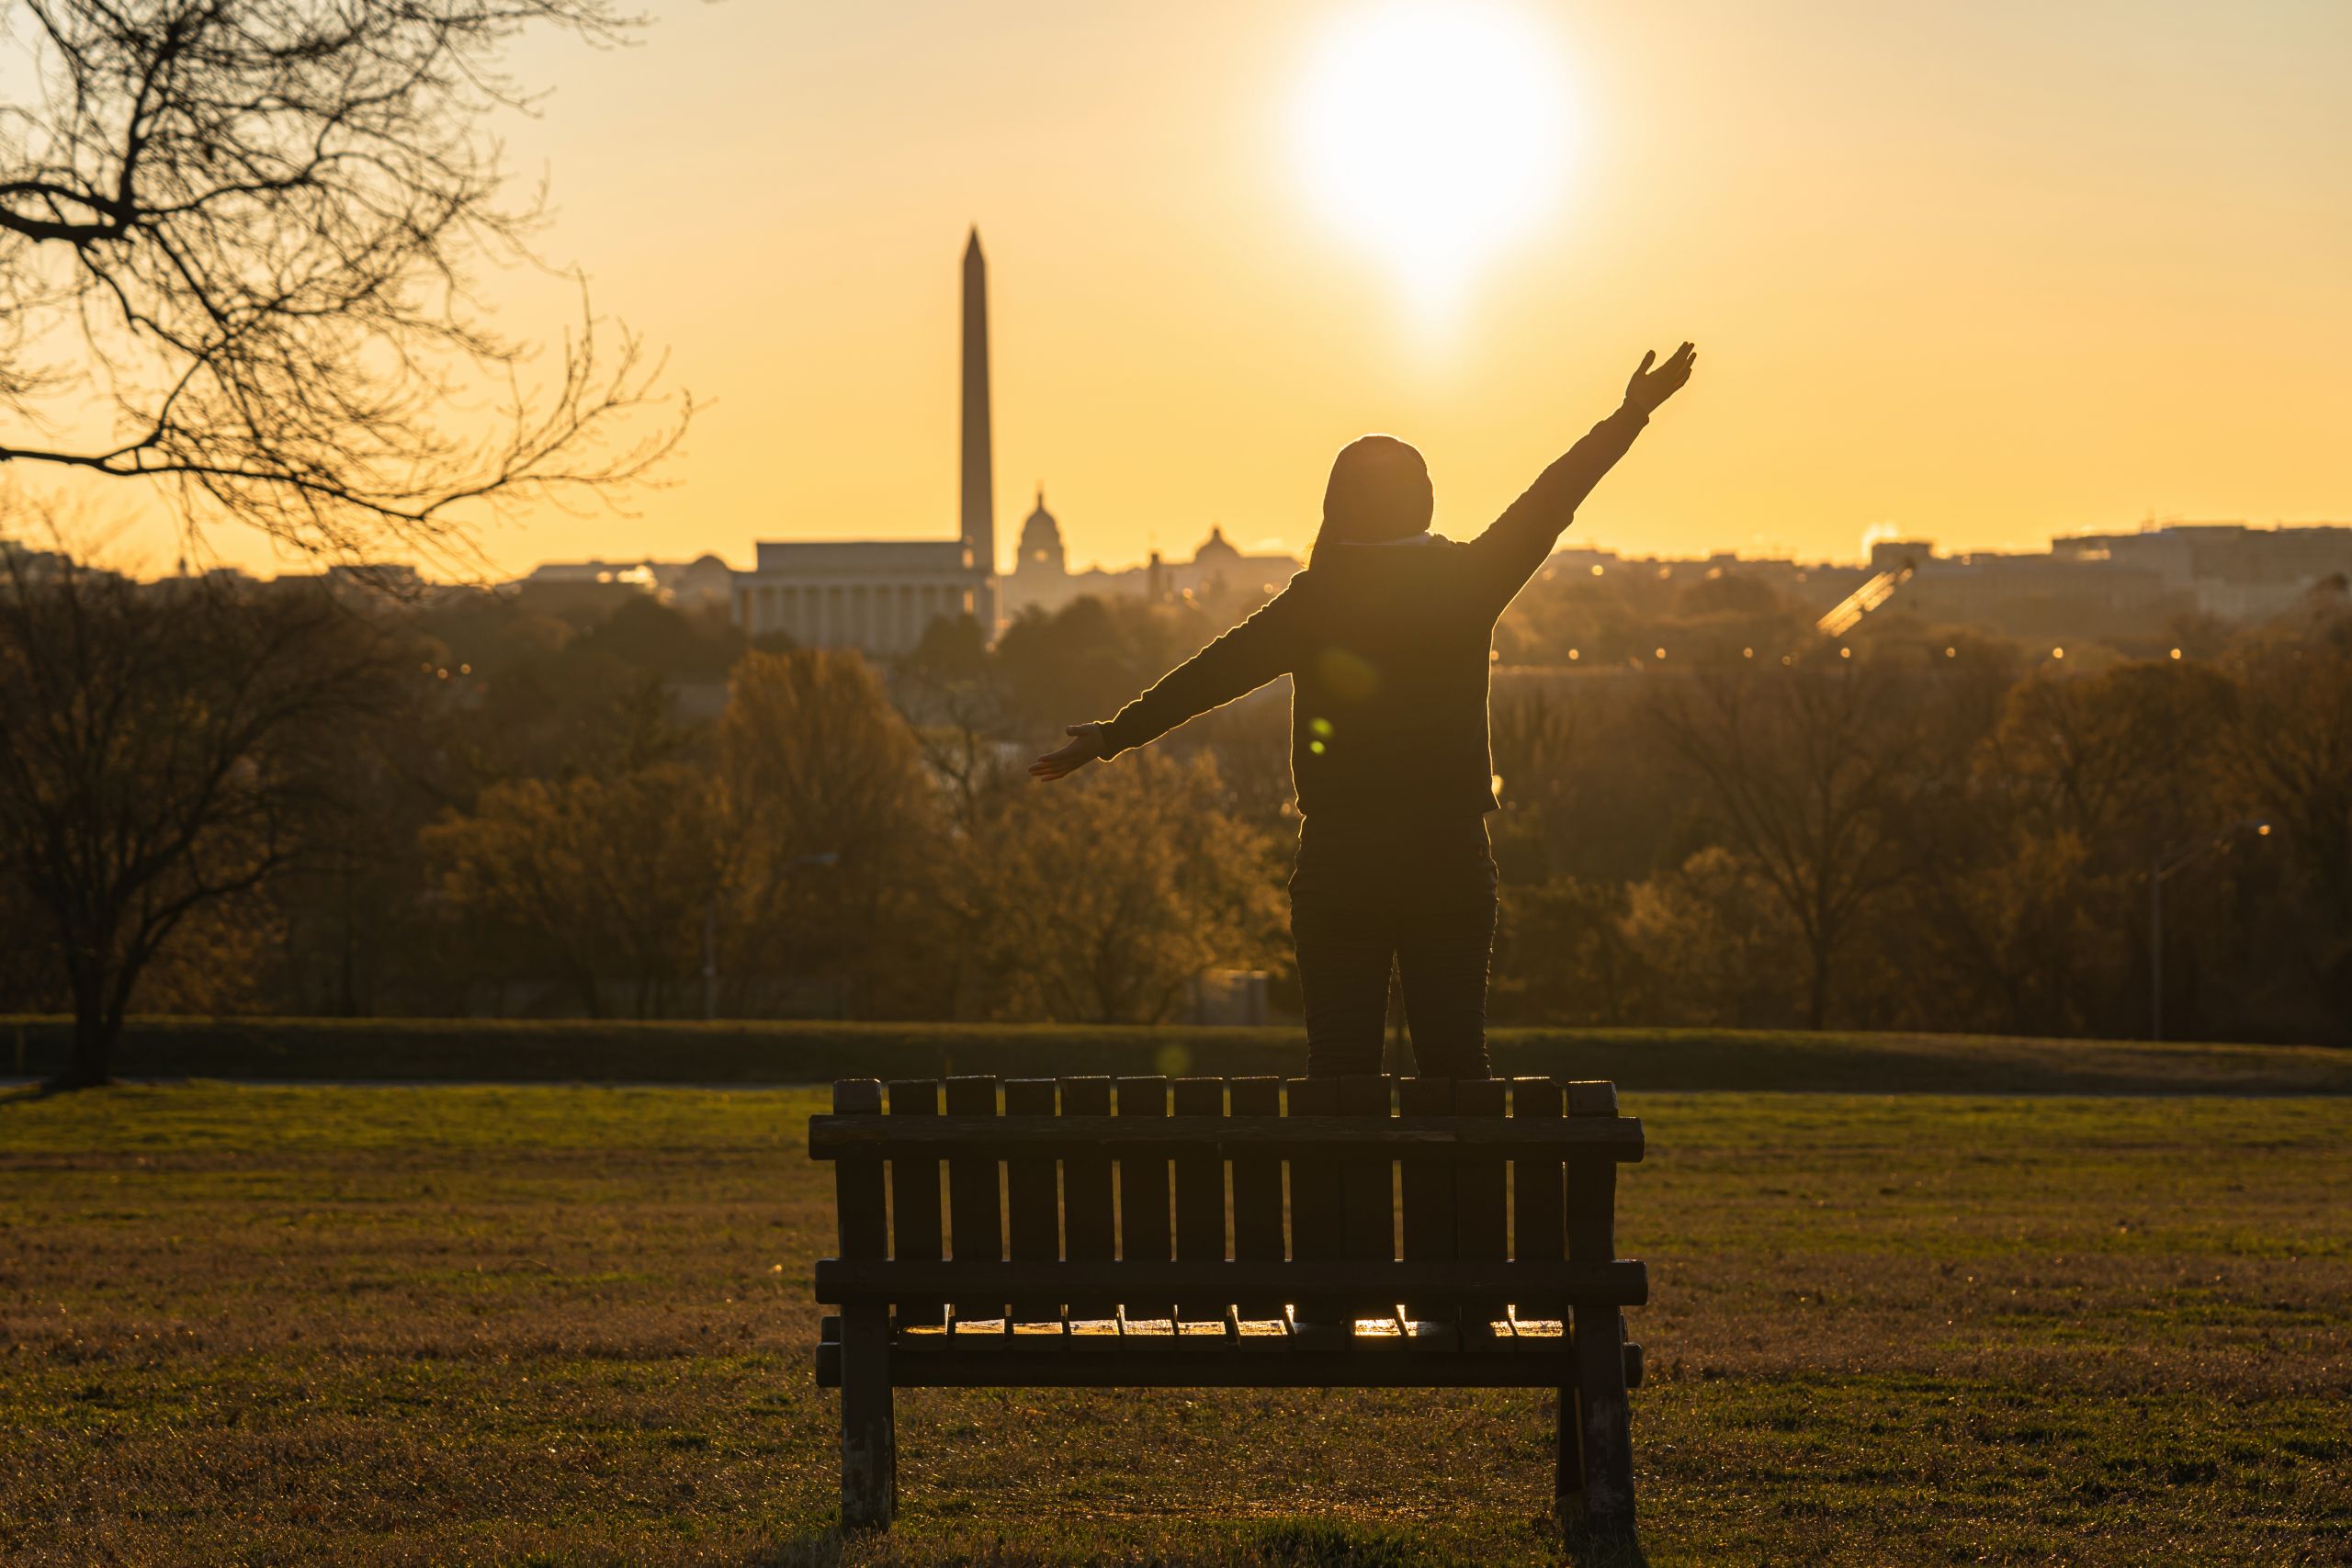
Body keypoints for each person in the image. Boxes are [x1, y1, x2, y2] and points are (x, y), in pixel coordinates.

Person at [1030, 344, 1697, 1077]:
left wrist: (1113, 735)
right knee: (1456, 1073)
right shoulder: (1468, 579)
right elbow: (1555, 494)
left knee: (1340, 1079)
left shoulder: (1317, 600)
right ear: (1424, 499)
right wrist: (1631, 413)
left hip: (1342, 860)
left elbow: (1210, 676)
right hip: (1448, 856)